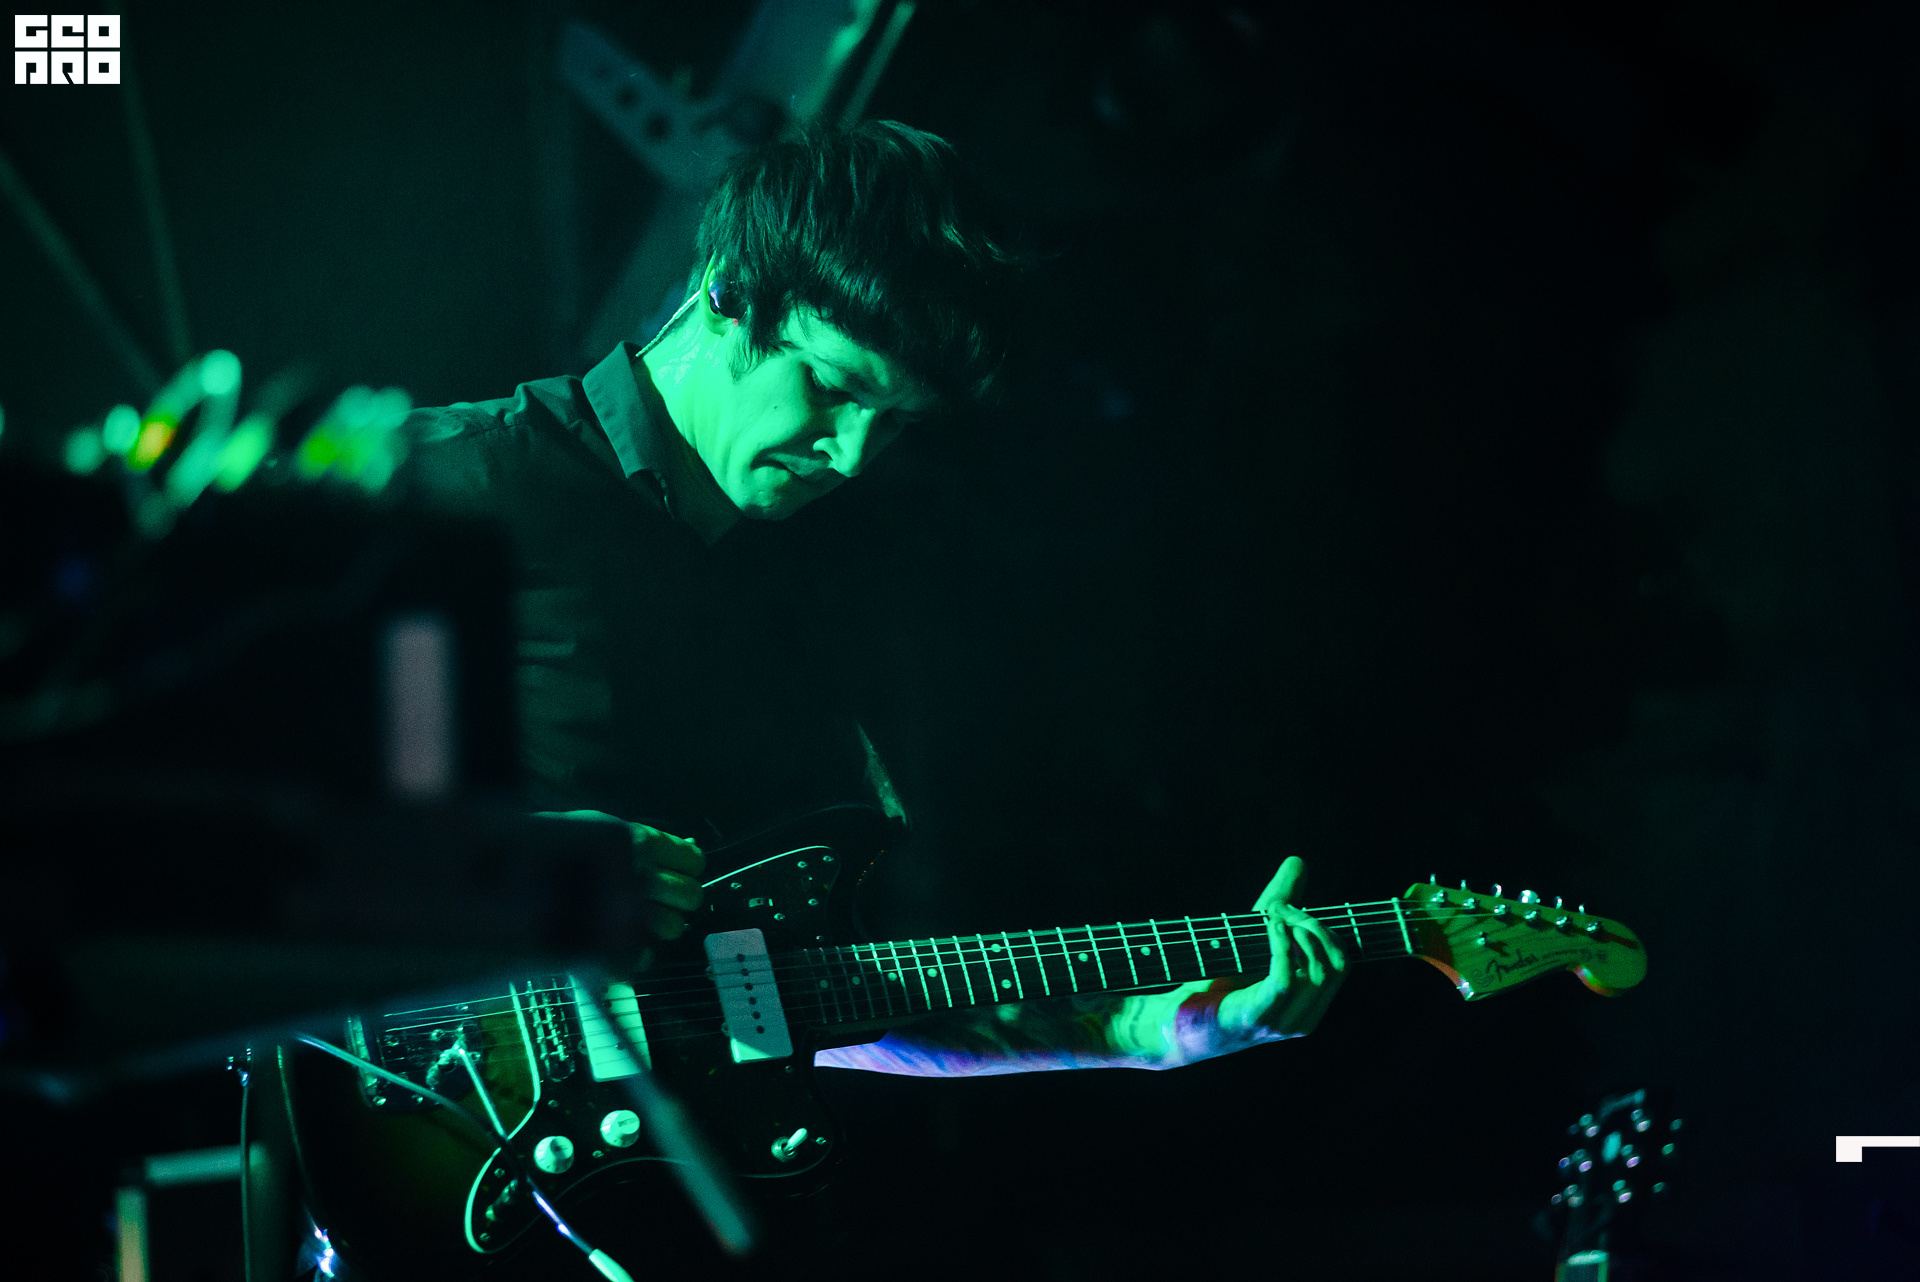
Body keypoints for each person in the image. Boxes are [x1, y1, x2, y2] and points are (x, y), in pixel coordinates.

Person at [399, 120, 1344, 1080]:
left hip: (611, 1162)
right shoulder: (469, 486)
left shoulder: (799, 607)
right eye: (829, 384)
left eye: (893, 422)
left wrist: (1146, 1033)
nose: (851, 454)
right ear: (727, 293)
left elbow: (784, 1001)